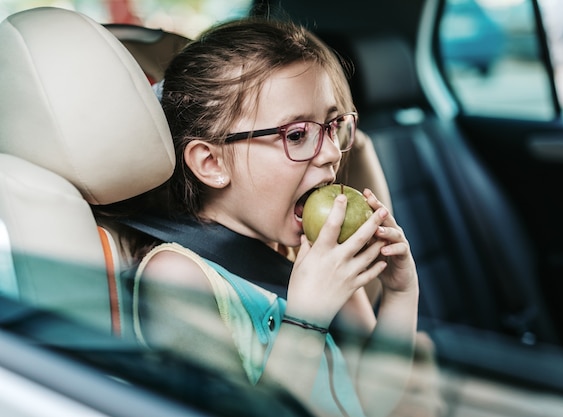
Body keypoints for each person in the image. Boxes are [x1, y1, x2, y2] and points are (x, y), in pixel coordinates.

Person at [113, 17, 420, 417]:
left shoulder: (312, 255)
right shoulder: (179, 277)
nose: (330, 154)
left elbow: (371, 400)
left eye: (332, 126)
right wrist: (307, 319)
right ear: (211, 161)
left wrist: (400, 293)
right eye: (296, 135)